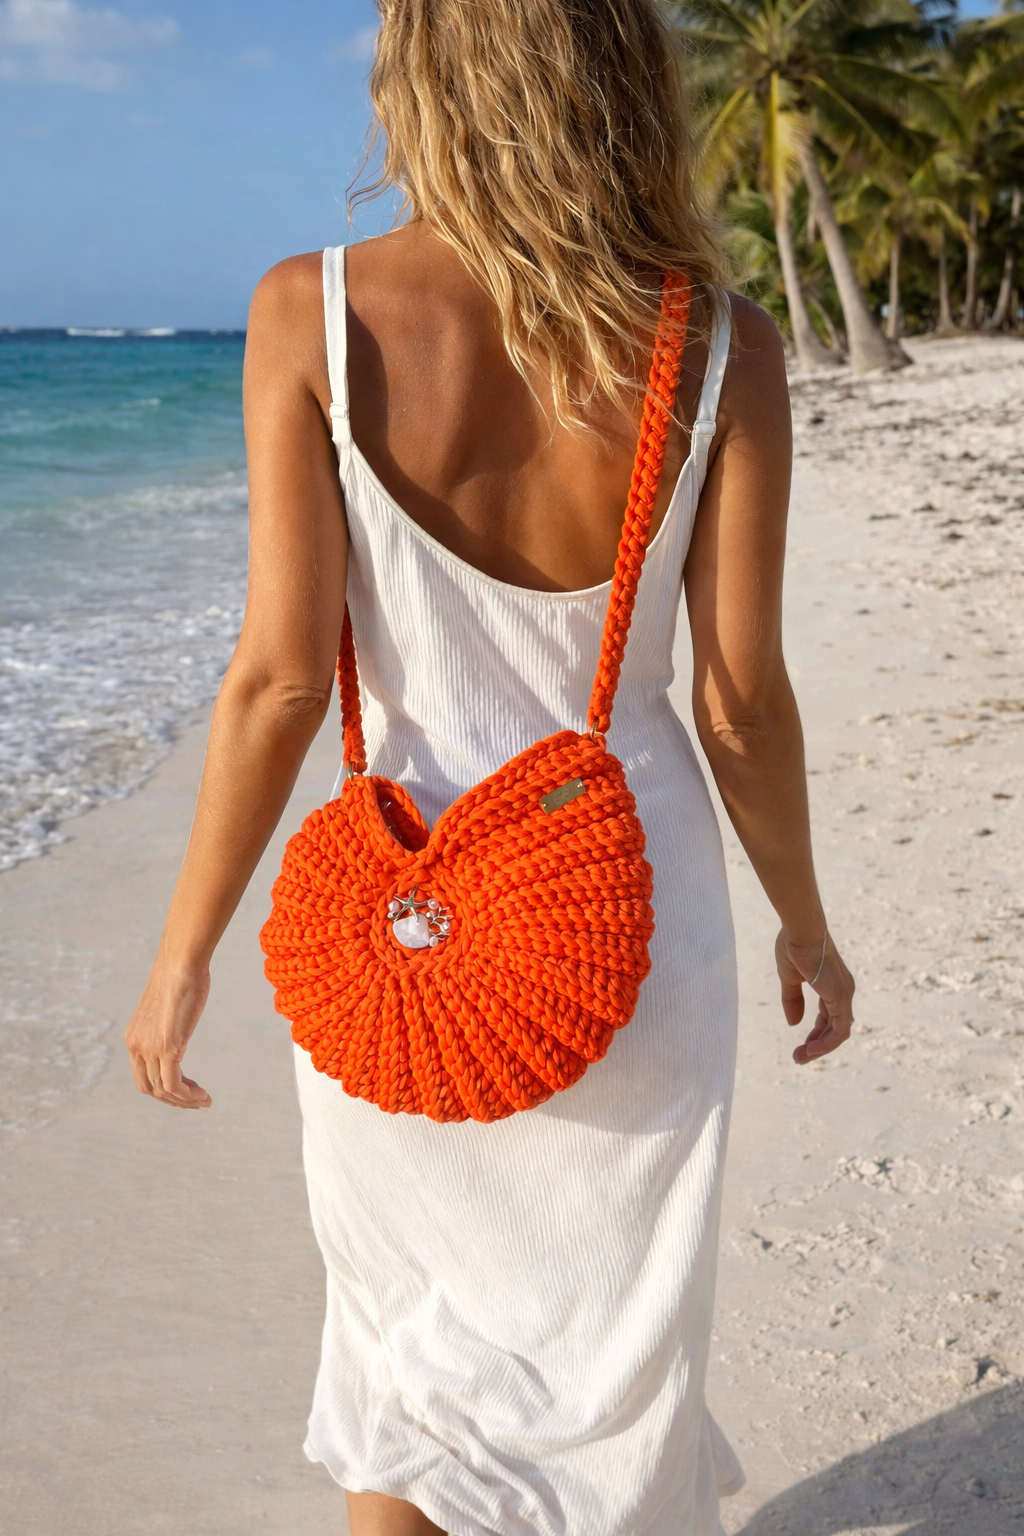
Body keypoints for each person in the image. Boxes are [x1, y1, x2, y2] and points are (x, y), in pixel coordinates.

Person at [125, 0, 856, 1531]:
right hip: (625, 926)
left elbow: (277, 680)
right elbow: (737, 705)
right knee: (615, 1381)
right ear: (631, 80)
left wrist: (185, 952)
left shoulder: (312, 312)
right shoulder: (721, 345)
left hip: (404, 932)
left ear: (421, 80)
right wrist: (805, 919)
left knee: (409, 1376)